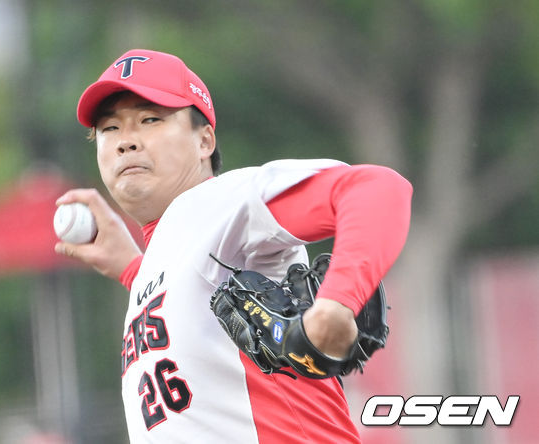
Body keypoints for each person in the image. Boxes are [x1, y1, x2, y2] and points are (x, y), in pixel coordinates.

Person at [55, 49, 412, 444]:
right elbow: (198, 305)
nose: (126, 142)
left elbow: (377, 189)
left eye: (150, 119)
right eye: (109, 128)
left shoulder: (222, 201)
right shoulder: (173, 250)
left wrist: (336, 304)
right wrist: (132, 270)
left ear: (204, 140)